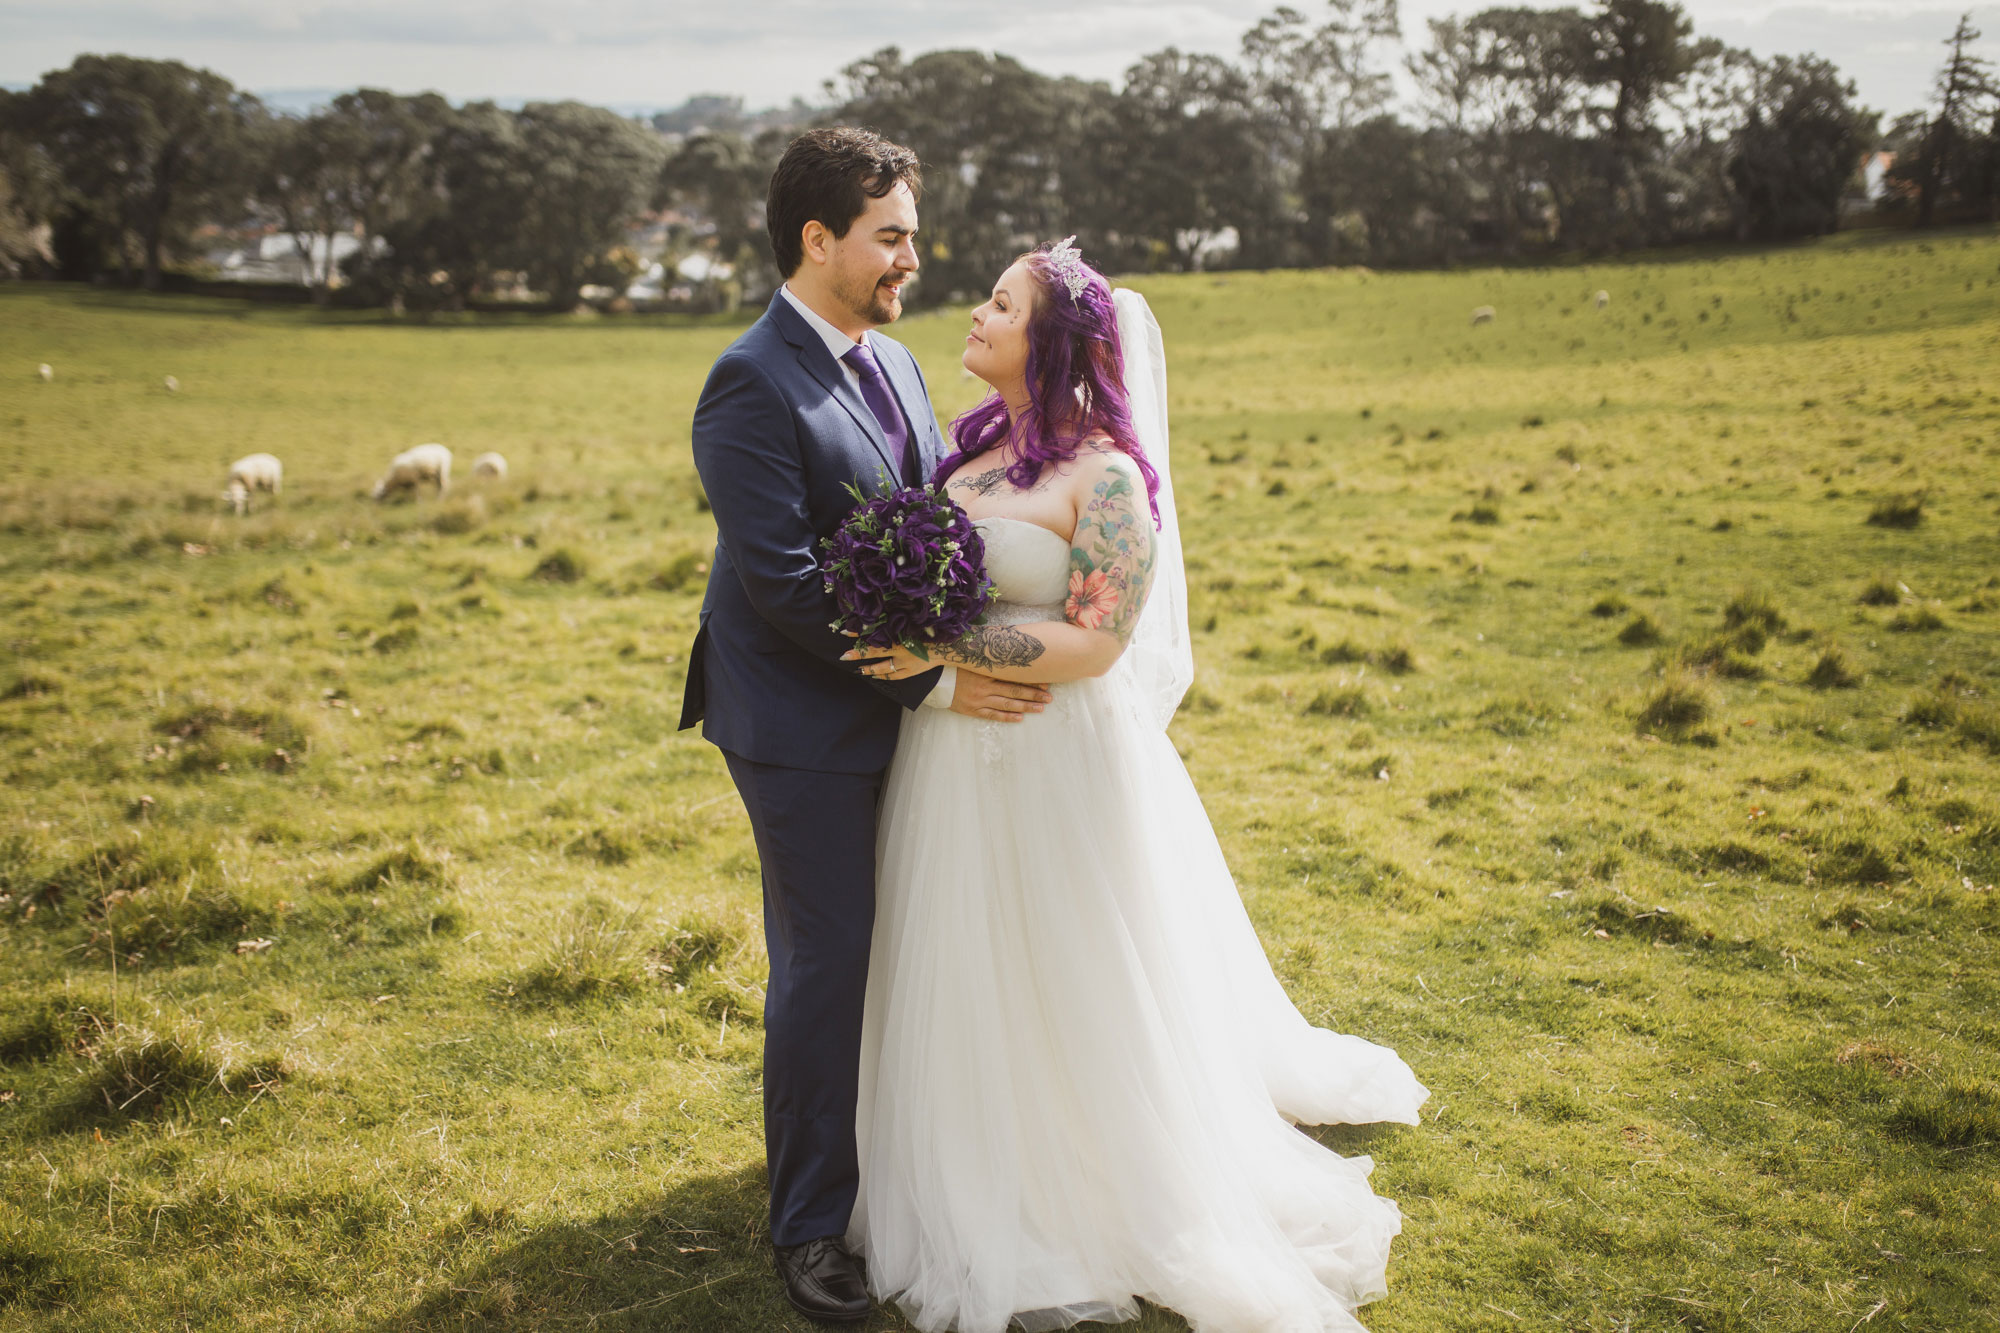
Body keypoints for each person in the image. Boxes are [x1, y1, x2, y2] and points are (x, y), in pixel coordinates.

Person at [841, 239, 1429, 1333]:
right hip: (948, 761)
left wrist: (948, 644)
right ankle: (966, 1155)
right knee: (957, 953)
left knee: (1067, 962)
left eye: (999, 304)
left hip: (1056, 759)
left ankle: (1086, 1178)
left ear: (1049, 341)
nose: (972, 313)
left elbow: (1098, 641)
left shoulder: (1103, 477)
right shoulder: (959, 467)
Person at [677, 127, 1054, 1323]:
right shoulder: (747, 380)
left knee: (904, 950)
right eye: (889, 236)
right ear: (817, 238)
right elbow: (786, 586)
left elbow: (926, 518)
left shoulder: (887, 361)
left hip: (893, 702)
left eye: (910, 234)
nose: (910, 258)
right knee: (828, 963)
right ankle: (807, 1228)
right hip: (792, 719)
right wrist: (936, 685)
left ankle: (882, 1163)